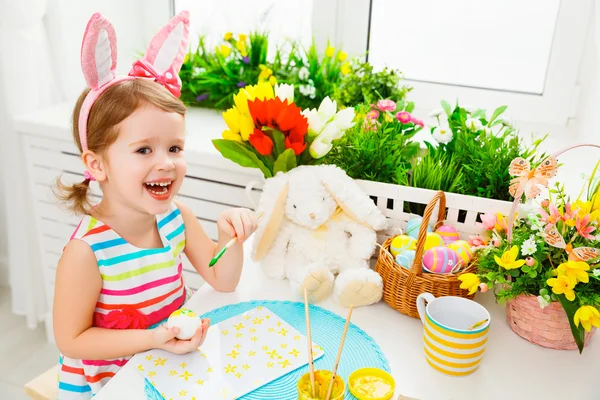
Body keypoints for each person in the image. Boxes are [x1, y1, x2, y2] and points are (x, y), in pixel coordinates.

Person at [52, 11, 258, 398]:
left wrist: (228, 237)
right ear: (98, 164)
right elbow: (72, 340)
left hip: (169, 365)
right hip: (113, 385)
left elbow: (223, 280)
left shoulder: (178, 218)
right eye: (144, 149)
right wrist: (152, 338)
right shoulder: (87, 252)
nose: (166, 162)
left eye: (175, 148)